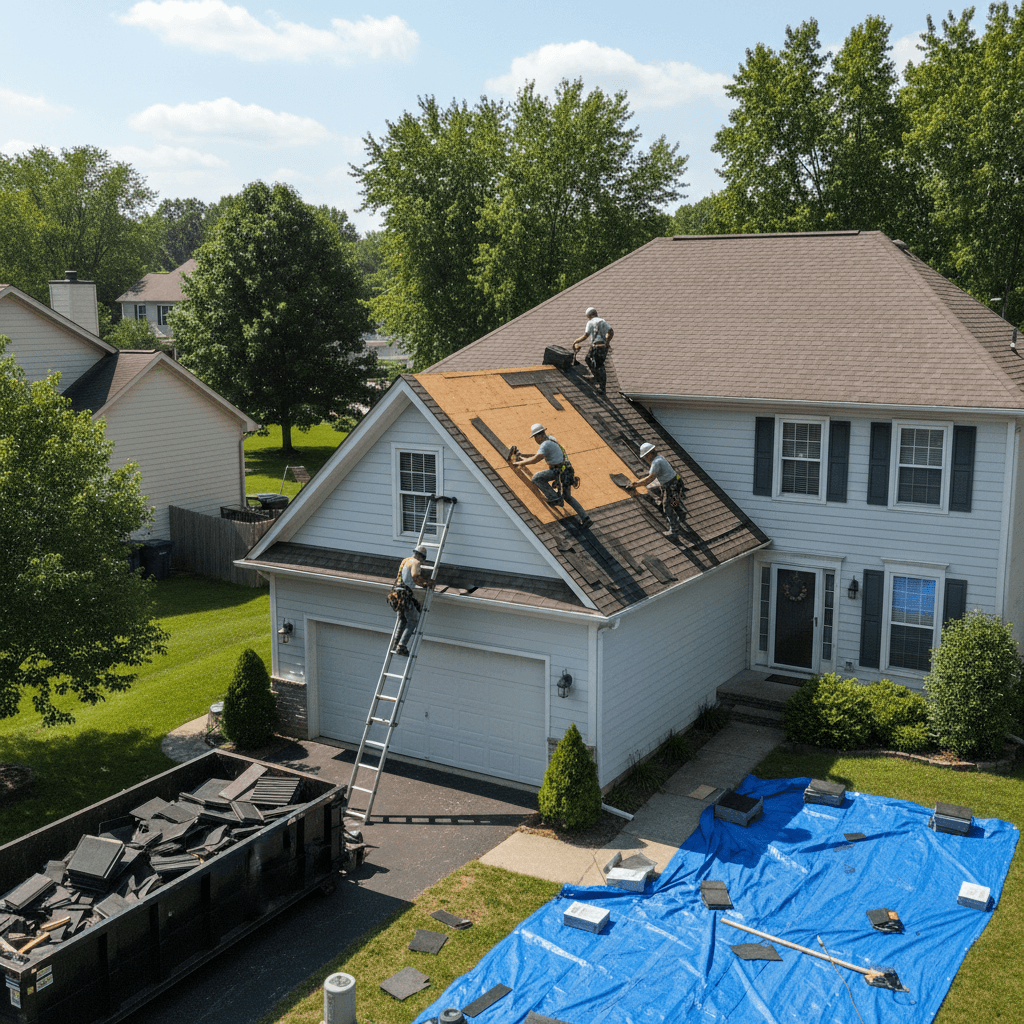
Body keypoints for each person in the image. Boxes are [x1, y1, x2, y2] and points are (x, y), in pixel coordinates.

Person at [512, 423, 591, 528]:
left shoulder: (545, 445)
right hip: (567, 470)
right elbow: (539, 455)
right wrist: (522, 457)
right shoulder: (551, 439)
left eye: (535, 437)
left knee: (537, 478)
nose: (535, 440)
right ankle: (585, 518)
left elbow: (536, 459)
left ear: (539, 436)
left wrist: (520, 463)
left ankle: (555, 498)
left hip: (559, 472)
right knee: (568, 497)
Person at [626, 442, 686, 537]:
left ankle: (674, 531)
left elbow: (649, 479)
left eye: (645, 457)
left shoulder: (656, 463)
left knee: (667, 508)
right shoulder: (660, 458)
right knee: (674, 500)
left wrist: (635, 485)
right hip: (677, 482)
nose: (645, 459)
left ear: (649, 454)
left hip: (670, 485)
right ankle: (681, 513)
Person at [387, 544, 434, 656]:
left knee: (403, 620)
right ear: (421, 557)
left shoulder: (405, 560)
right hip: (404, 595)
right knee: (413, 620)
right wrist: (426, 583)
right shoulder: (416, 562)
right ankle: (401, 646)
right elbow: (415, 576)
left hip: (396, 594)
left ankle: (395, 644)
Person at [572, 306, 614, 392]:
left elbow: (585, 336)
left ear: (590, 316)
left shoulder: (590, 322)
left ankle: (602, 387)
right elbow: (611, 332)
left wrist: (576, 341)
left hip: (598, 347)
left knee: (599, 365)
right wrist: (607, 341)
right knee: (587, 358)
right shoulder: (603, 321)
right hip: (600, 346)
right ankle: (596, 376)